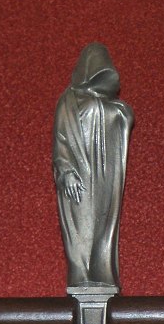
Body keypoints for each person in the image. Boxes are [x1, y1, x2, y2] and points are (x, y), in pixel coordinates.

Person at [53, 43, 133, 288]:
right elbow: (61, 140)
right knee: (79, 226)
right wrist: (66, 171)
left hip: (104, 176)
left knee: (102, 225)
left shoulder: (114, 106)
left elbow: (125, 117)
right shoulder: (68, 102)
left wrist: (113, 111)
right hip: (77, 178)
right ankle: (81, 274)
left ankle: (101, 272)